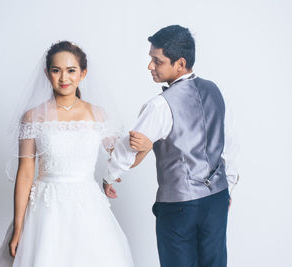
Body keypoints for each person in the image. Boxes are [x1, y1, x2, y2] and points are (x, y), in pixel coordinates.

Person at [0, 41, 152, 267]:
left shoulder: (97, 114)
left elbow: (121, 160)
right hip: (45, 210)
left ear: (82, 73)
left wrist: (146, 148)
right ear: (47, 73)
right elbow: (25, 174)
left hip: (87, 206)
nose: (64, 78)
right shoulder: (33, 117)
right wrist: (18, 228)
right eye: (56, 70)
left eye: (71, 70)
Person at [103, 25, 239, 267]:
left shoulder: (160, 105)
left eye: (157, 61)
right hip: (217, 198)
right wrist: (229, 186)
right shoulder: (215, 90)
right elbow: (228, 143)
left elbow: (130, 147)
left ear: (180, 63)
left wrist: (109, 177)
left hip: (179, 206)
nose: (150, 66)